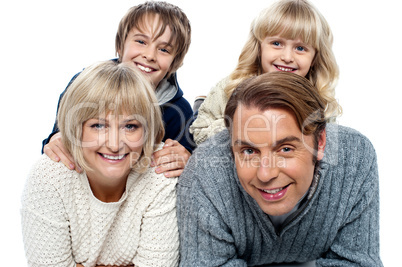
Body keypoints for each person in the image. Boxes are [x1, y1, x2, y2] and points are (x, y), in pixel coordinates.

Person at [177, 72, 382, 266]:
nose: (266, 174)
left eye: (285, 149)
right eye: (249, 151)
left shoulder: (356, 157)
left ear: (320, 142)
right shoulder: (203, 172)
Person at [22, 61, 180, 267]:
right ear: (75, 129)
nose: (115, 145)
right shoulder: (49, 177)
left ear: (148, 132)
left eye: (130, 126)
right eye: (98, 125)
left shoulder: (161, 172)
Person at [43, 1, 193, 177]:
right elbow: (57, 138)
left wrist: (188, 160)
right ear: (121, 46)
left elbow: (183, 170)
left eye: (164, 50)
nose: (149, 55)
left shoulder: (179, 112)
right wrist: (56, 139)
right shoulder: (83, 85)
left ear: (174, 63)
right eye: (140, 41)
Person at [190, 0, 341, 145]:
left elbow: (326, 150)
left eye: (300, 48)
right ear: (259, 48)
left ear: (315, 57)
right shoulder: (229, 87)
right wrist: (248, 128)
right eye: (277, 43)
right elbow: (198, 132)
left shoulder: (321, 101)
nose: (287, 57)